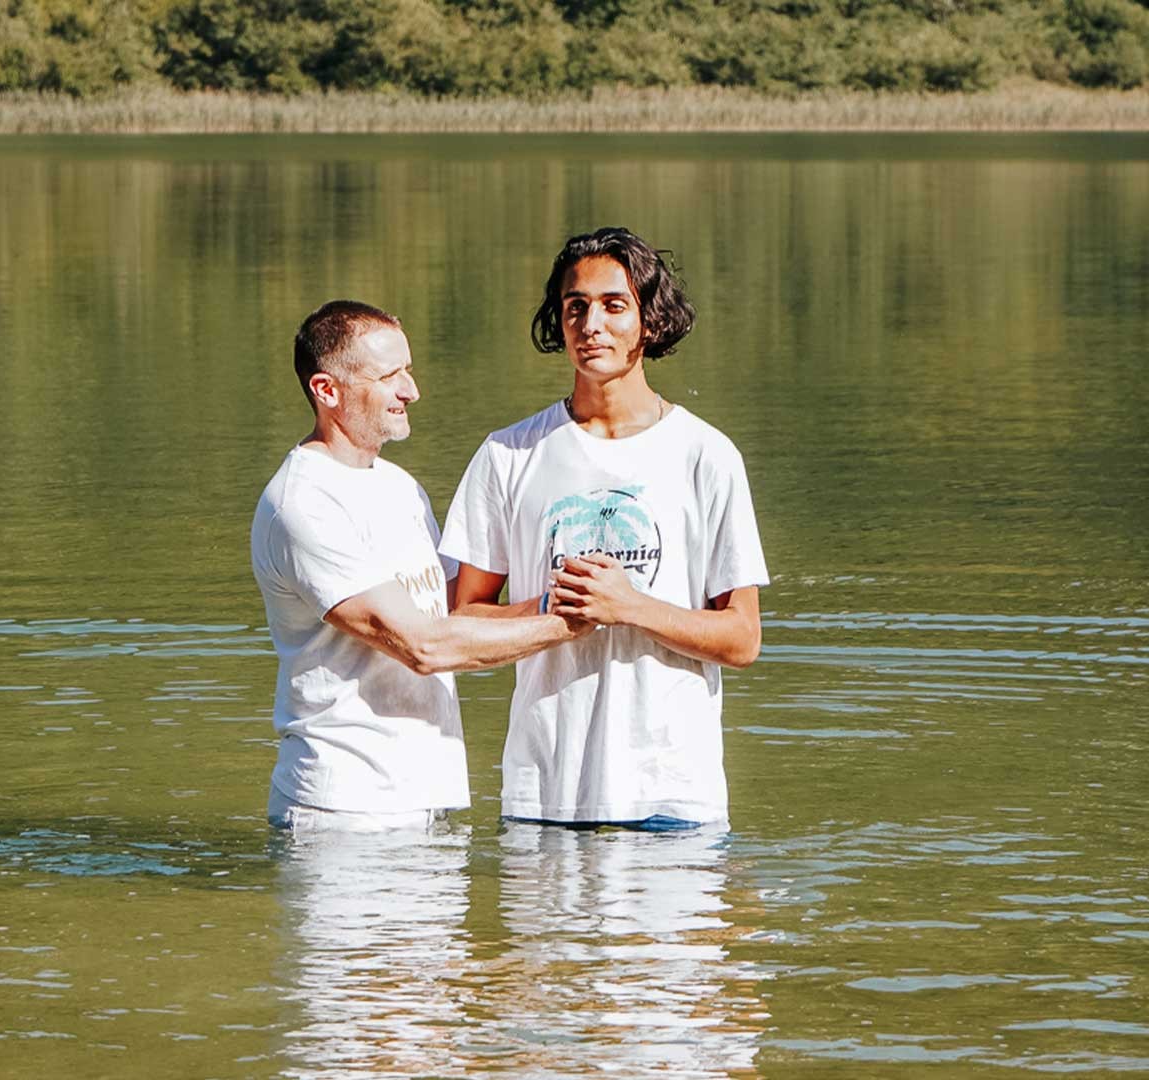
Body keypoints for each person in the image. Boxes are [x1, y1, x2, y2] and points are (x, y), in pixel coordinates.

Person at [439, 228, 767, 830]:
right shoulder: (509, 454)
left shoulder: (706, 455)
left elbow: (743, 638)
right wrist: (555, 609)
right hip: (546, 796)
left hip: (673, 797)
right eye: (575, 307)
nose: (591, 323)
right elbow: (462, 623)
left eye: (614, 306)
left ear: (651, 322)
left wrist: (630, 606)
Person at [250, 300, 587, 832]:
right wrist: (567, 624)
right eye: (389, 376)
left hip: (424, 801)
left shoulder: (400, 487)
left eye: (407, 370)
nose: (411, 391)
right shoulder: (303, 502)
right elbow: (423, 647)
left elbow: (452, 617)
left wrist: (569, 598)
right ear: (327, 391)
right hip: (344, 811)